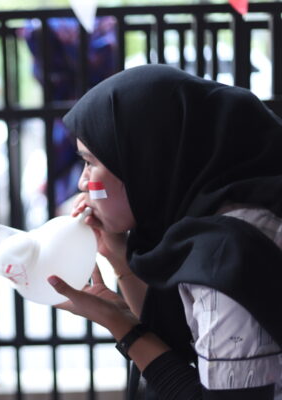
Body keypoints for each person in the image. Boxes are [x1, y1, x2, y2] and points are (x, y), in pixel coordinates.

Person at [47, 64, 282, 399]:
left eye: (90, 162)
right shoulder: (214, 220)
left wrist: (121, 326)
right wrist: (118, 257)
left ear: (144, 160)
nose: (83, 183)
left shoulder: (229, 255)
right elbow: (181, 347)